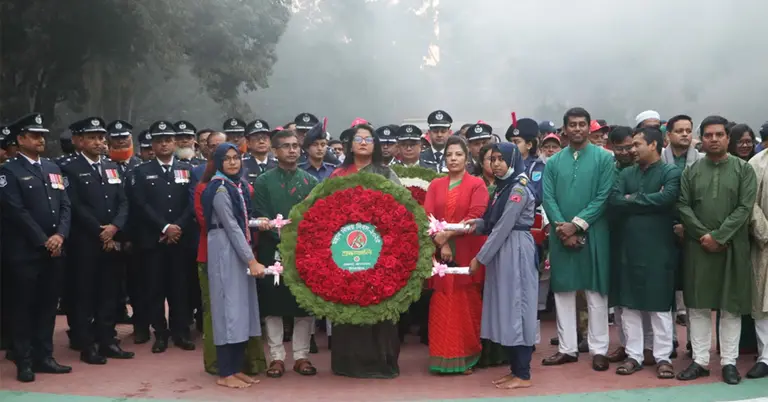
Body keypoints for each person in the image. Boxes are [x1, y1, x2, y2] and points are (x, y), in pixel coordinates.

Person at [676, 115, 756, 385]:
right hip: (699, 247)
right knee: (698, 305)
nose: (713, 139)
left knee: (730, 306)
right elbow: (683, 205)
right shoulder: (692, 171)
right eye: (708, 135)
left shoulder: (744, 170)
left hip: (732, 246)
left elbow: (745, 207)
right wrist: (704, 236)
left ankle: (729, 362)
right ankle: (700, 361)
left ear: (727, 138)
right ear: (702, 138)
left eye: (719, 135)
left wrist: (720, 236)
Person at [541, 107, 615, 371]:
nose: (577, 129)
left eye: (582, 124)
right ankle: (567, 348)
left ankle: (599, 349)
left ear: (588, 127)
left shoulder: (604, 159)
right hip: (561, 235)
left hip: (594, 232)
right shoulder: (553, 162)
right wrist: (563, 229)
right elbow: (548, 197)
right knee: (563, 291)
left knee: (596, 292)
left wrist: (577, 225)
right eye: (572, 124)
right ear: (564, 129)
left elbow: (604, 196)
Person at [0, 113, 72, 382]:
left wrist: (60, 235)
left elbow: (65, 204)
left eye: (42, 135)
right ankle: (24, 360)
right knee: (23, 307)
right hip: (25, 252)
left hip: (54, 250)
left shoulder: (52, 167)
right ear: (20, 139)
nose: (41, 140)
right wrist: (44, 239)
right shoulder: (9, 170)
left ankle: (45, 356)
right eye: (34, 135)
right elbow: (16, 211)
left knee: (47, 306)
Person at [328, 123, 403, 378]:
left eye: (368, 139)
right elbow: (323, 207)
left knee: (378, 301)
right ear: (350, 145)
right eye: (358, 139)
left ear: (375, 145)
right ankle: (348, 362)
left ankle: (381, 361)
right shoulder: (339, 174)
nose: (363, 143)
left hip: (379, 249)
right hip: (345, 250)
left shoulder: (386, 173)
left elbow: (401, 205)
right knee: (349, 299)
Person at [60, 117, 134, 364]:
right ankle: (87, 345)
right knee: (85, 295)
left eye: (101, 137)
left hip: (112, 241)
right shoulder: (70, 168)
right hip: (86, 242)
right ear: (80, 141)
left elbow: (123, 201)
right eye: (92, 138)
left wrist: (114, 227)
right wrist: (100, 231)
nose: (98, 142)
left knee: (109, 293)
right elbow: (74, 204)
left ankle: (108, 340)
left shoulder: (112, 166)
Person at [609, 127, 681, 379]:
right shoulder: (626, 173)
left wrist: (632, 199)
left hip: (659, 248)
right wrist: (648, 199)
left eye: (637, 144)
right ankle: (634, 356)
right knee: (629, 305)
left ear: (653, 145)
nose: (632, 149)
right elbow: (615, 200)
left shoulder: (670, 172)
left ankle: (662, 357)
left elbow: (668, 198)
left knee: (659, 305)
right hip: (629, 248)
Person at [467, 142, 538, 390]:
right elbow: (492, 220)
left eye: (501, 159)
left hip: (515, 249)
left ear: (513, 160)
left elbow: (504, 226)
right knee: (507, 308)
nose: (496, 164)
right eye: (492, 159)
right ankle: (515, 369)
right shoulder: (503, 186)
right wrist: (475, 224)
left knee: (517, 308)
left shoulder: (518, 188)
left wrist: (480, 258)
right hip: (504, 250)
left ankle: (523, 373)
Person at [252, 129, 319, 378]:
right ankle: (276, 357)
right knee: (274, 306)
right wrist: (283, 239)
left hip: (304, 250)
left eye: (295, 145)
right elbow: (261, 214)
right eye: (286, 146)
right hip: (272, 249)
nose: (292, 150)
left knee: (303, 304)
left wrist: (299, 243)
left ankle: (301, 356)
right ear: (274, 151)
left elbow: (315, 216)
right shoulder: (263, 181)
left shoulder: (311, 181)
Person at [201, 143, 266, 389]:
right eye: (226, 159)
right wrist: (251, 260)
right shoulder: (219, 189)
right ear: (218, 162)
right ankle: (226, 372)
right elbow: (231, 226)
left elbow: (243, 221)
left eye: (236, 158)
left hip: (238, 248)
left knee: (241, 310)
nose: (232, 162)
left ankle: (236, 369)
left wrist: (261, 222)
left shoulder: (236, 185)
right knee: (228, 310)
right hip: (225, 250)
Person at [424, 136, 488, 374]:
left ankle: (467, 356)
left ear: (467, 158)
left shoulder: (477, 185)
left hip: (467, 250)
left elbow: (475, 215)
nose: (453, 159)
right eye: (449, 155)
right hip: (440, 253)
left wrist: (447, 237)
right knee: (442, 303)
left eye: (458, 154)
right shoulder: (435, 185)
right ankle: (443, 358)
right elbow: (428, 216)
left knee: (466, 303)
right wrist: (440, 242)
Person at [131, 120, 196, 353]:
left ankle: (181, 332)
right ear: (153, 145)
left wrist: (177, 227)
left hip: (181, 239)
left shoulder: (187, 169)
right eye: (159, 141)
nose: (164, 145)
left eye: (168, 140)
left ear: (175, 143)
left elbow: (192, 203)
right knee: (155, 289)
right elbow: (141, 204)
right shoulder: (141, 171)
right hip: (154, 240)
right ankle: (160, 333)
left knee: (180, 288)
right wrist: (164, 227)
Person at [748, 145, 768, 379]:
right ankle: (766, 358)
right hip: (765, 243)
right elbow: (749, 202)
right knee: (763, 303)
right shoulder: (757, 163)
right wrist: (764, 232)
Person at [242, 119, 277, 188]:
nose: (261, 141)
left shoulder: (278, 164)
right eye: (256, 138)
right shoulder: (242, 165)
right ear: (248, 143)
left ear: (270, 141)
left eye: (264, 138)